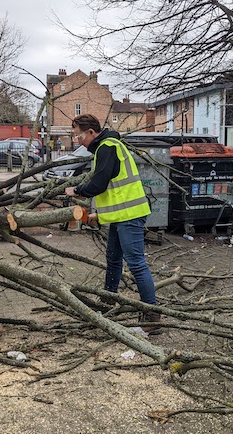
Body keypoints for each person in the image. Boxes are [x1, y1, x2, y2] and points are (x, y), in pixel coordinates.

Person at [64, 114, 161, 333]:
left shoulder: (107, 147)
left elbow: (99, 183)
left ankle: (153, 316)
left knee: (135, 262)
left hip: (130, 215)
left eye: (78, 136)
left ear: (91, 132)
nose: (77, 140)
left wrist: (77, 190)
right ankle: (107, 302)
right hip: (120, 215)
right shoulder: (105, 148)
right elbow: (110, 186)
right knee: (113, 260)